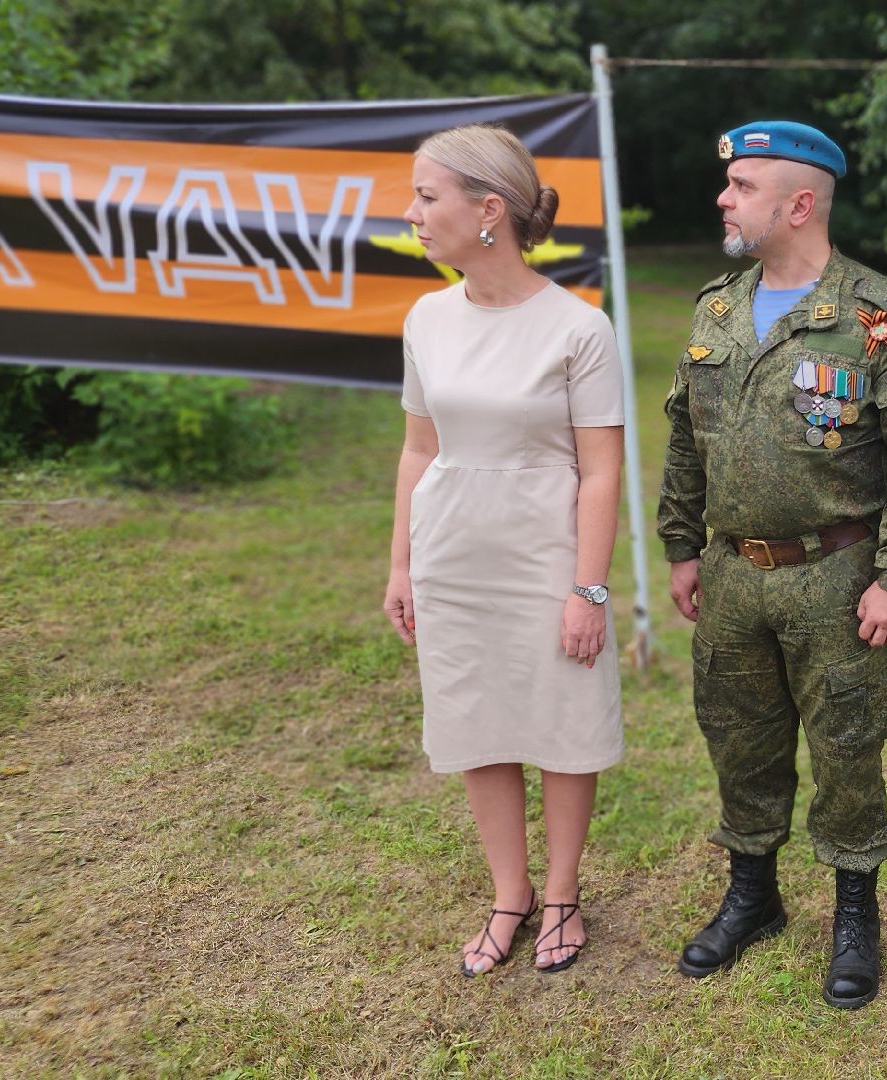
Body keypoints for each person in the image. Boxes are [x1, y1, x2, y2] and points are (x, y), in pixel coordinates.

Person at [657, 120, 887, 1010]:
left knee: (848, 745)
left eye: (742, 186)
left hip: (838, 576)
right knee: (738, 736)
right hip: (732, 574)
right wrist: (681, 544)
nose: (724, 196)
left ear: (799, 203)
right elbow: (686, 433)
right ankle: (753, 895)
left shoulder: (876, 313)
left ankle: (855, 913)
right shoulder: (716, 307)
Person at [383, 123, 625, 977]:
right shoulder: (425, 317)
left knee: (561, 724)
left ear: (489, 211)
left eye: (426, 196)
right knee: (476, 720)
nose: (411, 212)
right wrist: (402, 563)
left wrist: (587, 591)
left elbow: (601, 472)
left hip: (545, 559)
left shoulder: (578, 328)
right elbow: (419, 448)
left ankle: (562, 894)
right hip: (452, 556)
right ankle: (508, 893)